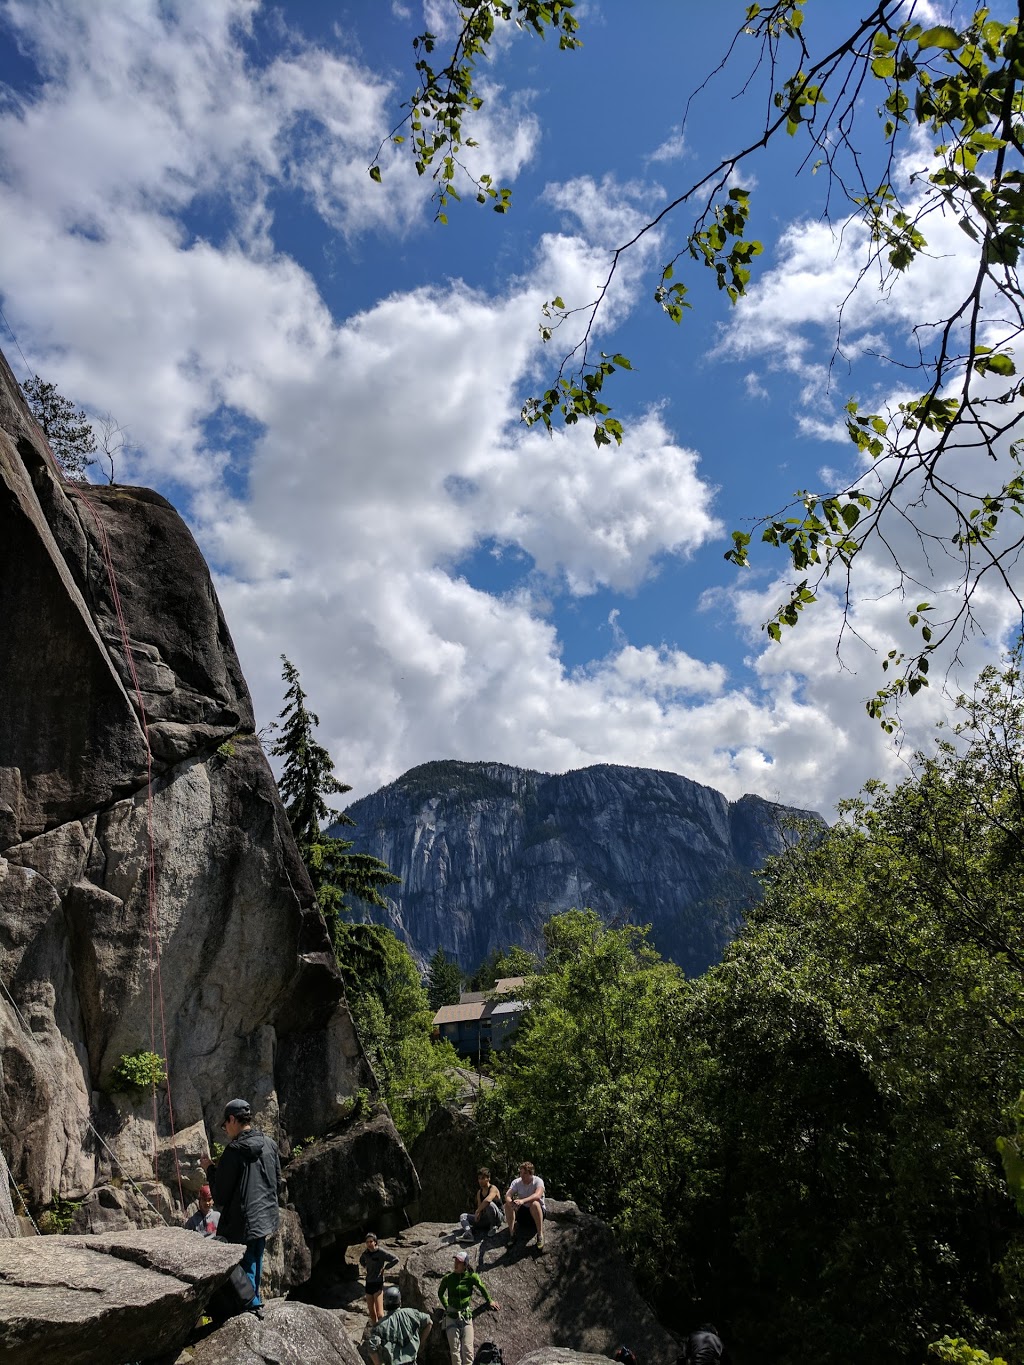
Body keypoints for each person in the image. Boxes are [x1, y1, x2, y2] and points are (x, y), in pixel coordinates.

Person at [201, 1097, 281, 1319]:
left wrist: (210, 1170)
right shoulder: (270, 1144)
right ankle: (255, 1302)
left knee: (242, 1265)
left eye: (225, 1123)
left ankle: (249, 1307)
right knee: (255, 1258)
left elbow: (221, 1196)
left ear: (233, 1119)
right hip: (265, 1218)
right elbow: (277, 1182)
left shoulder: (234, 1151)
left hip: (241, 1222)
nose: (225, 1128)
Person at [437, 1248, 500, 1365]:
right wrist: (447, 1306)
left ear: (465, 1264)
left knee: (468, 1349)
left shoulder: (472, 1277)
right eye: (455, 1261)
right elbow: (440, 1293)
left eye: (459, 1262)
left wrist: (489, 1300)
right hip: (451, 1316)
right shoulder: (448, 1278)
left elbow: (482, 1287)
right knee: (455, 1350)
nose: (456, 1264)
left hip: (466, 1316)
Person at [368, 1285, 432, 1365]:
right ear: (400, 1301)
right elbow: (429, 1322)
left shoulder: (380, 1326)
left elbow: (372, 1348)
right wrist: (420, 1345)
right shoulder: (411, 1313)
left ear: (385, 1303)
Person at [503, 1161, 545, 1250]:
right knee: (507, 1205)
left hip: (537, 1212)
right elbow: (507, 1195)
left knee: (534, 1203)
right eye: (521, 1172)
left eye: (525, 1173)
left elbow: (537, 1195)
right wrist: (511, 1203)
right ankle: (512, 1234)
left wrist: (523, 1201)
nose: (522, 1175)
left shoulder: (538, 1181)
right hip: (524, 1214)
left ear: (531, 1173)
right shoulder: (517, 1182)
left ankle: (540, 1234)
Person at [361, 1231, 400, 1323]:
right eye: (367, 1242)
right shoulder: (366, 1253)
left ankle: (383, 1330)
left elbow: (395, 1259)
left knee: (380, 1313)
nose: (369, 1244)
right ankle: (376, 1331)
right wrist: (365, 1266)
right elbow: (361, 1260)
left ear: (375, 1242)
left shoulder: (381, 1252)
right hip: (368, 1283)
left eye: (371, 1241)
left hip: (378, 1283)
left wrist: (386, 1267)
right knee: (372, 1313)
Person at [458, 1168, 502, 1241]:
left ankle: (493, 1226)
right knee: (463, 1216)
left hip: (497, 1217)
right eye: (479, 1178)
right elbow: (480, 1207)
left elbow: (487, 1200)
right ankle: (469, 1234)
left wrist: (478, 1211)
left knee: (489, 1204)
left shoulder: (493, 1188)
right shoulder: (479, 1192)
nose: (480, 1181)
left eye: (483, 1178)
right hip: (486, 1218)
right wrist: (478, 1215)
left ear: (488, 1179)